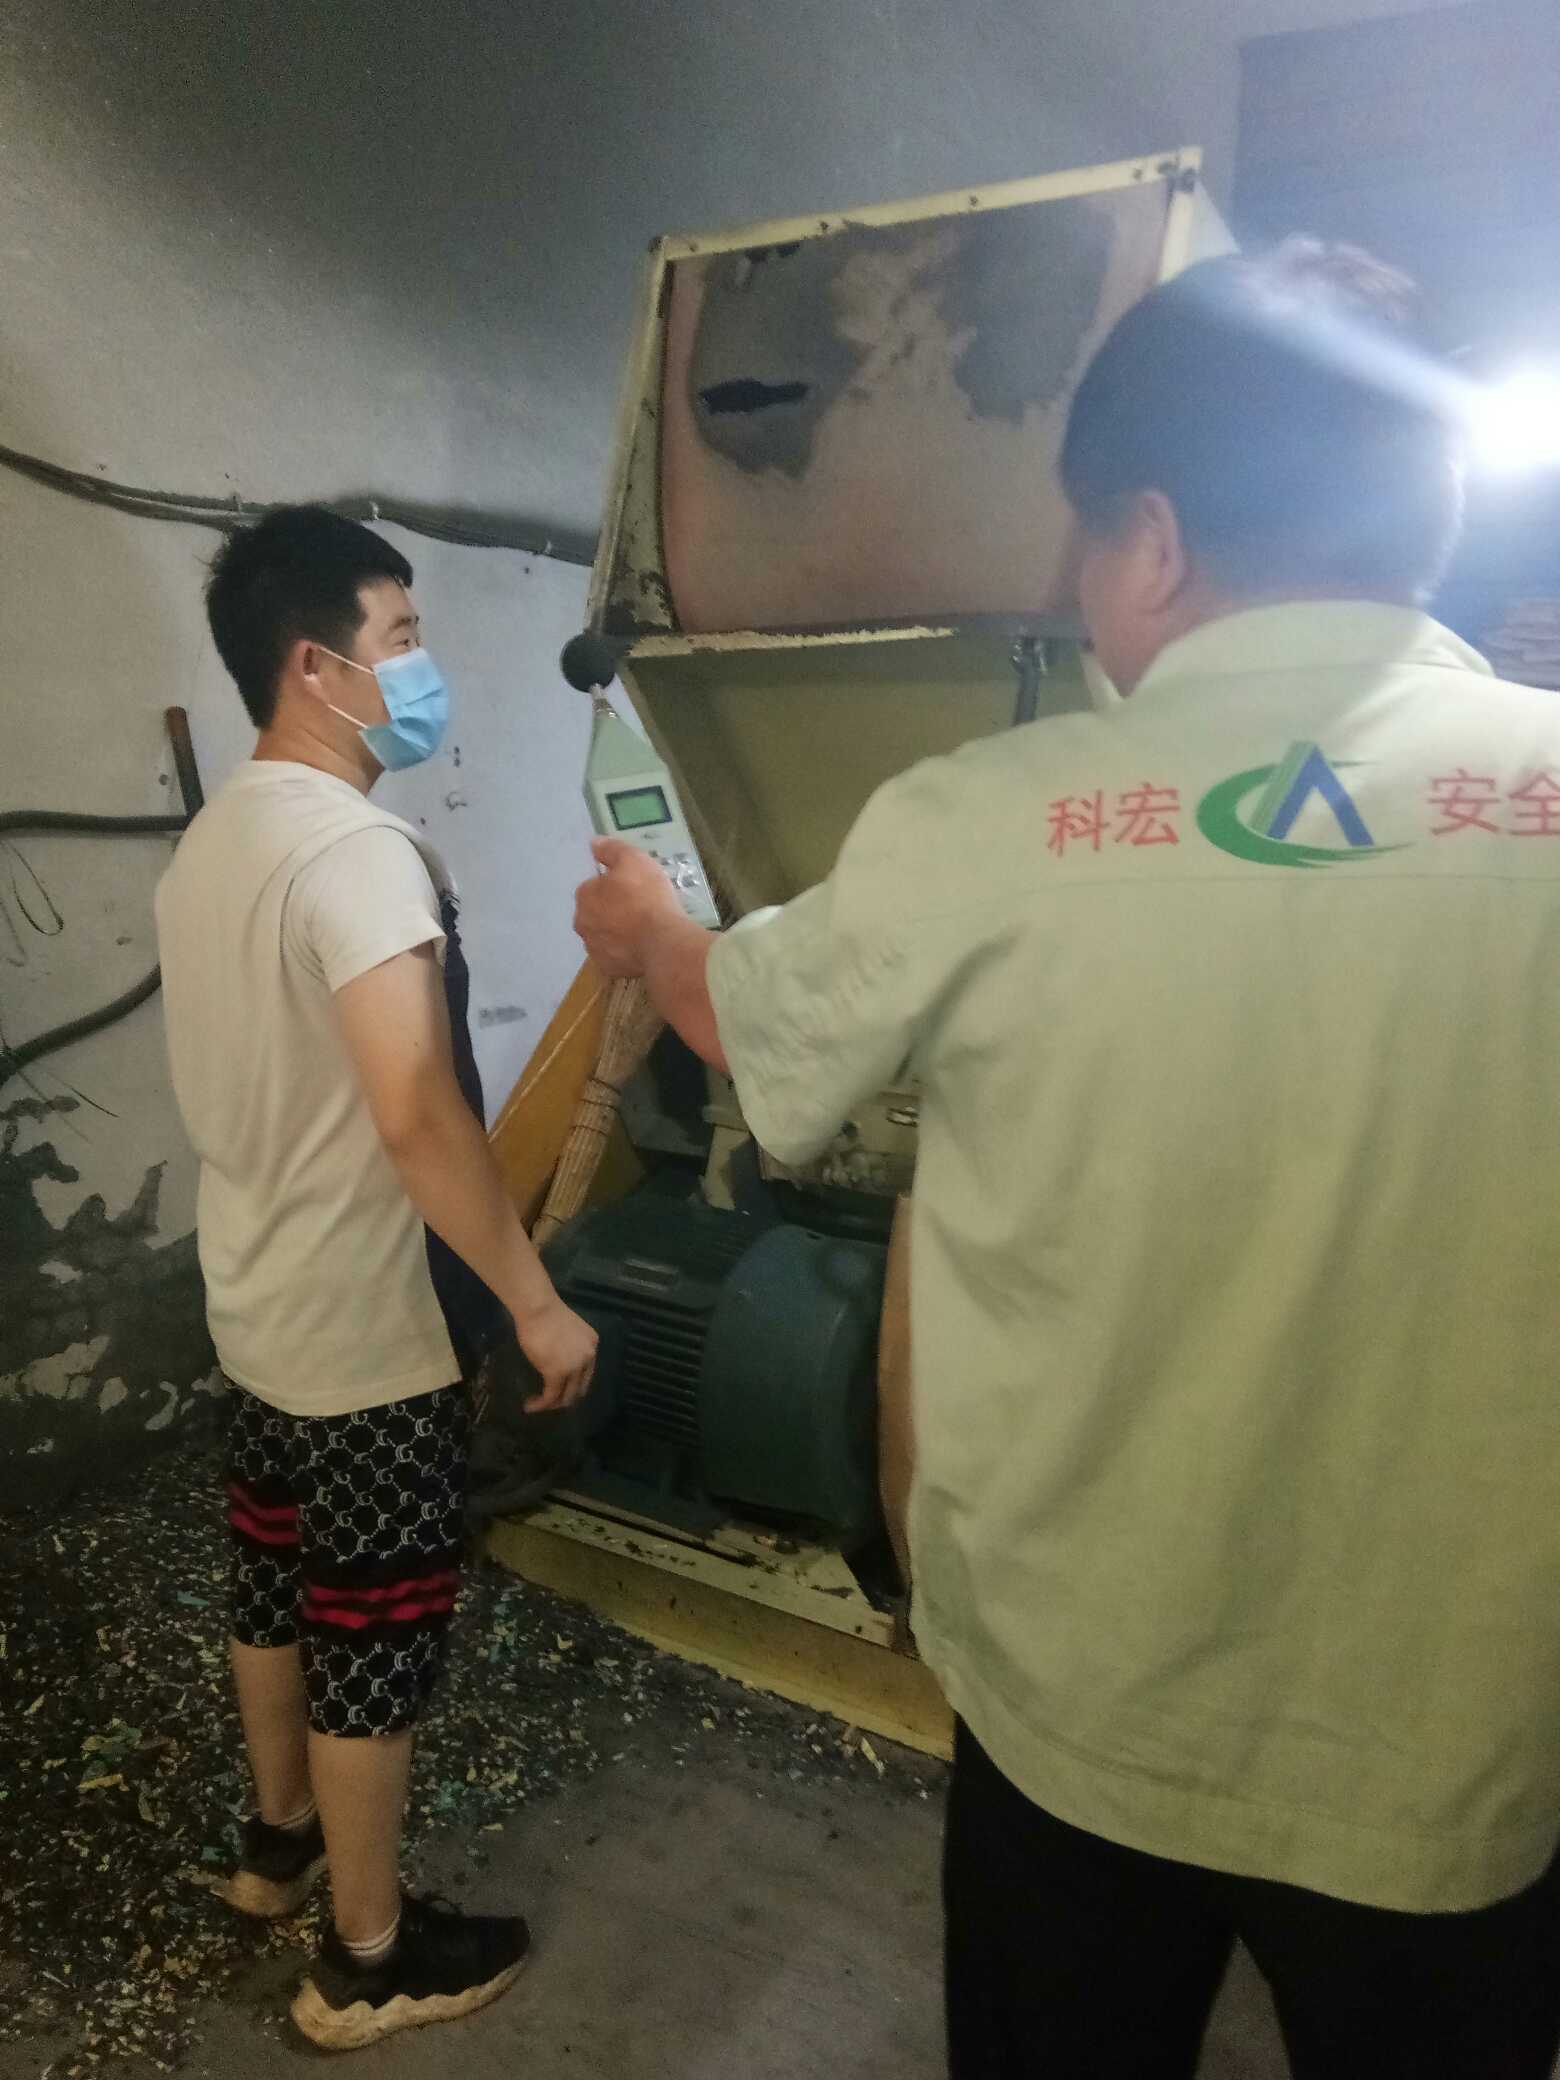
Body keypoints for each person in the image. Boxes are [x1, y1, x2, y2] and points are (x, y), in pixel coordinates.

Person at [574, 243, 1560, 2078]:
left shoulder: (991, 821)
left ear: (1154, 543)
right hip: (1460, 1739)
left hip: (1087, 1706)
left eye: (1085, 554)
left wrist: (649, 928)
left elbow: (744, 1020)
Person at [156, 505, 597, 2052]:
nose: (422, 667)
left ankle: (276, 1846)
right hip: (368, 1332)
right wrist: (532, 1298)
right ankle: (366, 1956)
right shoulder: (357, 856)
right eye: (401, 638)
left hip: (256, 1302)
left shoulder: (218, 838)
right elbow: (418, 1112)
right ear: (315, 666)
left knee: (272, 1589)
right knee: (373, 1634)